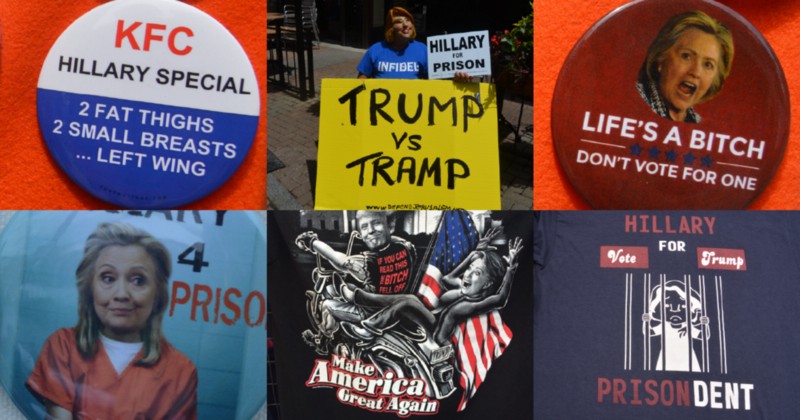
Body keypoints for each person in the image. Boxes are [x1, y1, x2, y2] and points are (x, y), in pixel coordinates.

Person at [26, 223, 197, 419]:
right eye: (108, 278)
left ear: (157, 294)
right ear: (90, 289)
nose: (122, 294)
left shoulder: (181, 371)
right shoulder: (63, 346)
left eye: (138, 280)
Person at [340, 236, 522, 346]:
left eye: (477, 273)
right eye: (470, 269)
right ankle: (360, 297)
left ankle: (371, 327)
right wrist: (472, 255)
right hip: (430, 317)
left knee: (407, 302)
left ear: (487, 283)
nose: (468, 274)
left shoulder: (474, 303)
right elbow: (447, 279)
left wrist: (511, 270)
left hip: (434, 332)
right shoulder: (462, 290)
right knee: (408, 298)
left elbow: (501, 300)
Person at [295, 211, 416, 349]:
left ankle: (322, 342)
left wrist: (312, 242)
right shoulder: (406, 249)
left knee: (327, 305)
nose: (370, 231)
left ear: (390, 225)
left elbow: (340, 261)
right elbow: (394, 240)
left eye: (376, 223)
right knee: (351, 286)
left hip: (372, 311)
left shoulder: (370, 261)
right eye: (364, 227)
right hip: (397, 306)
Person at [636, 11, 734, 123]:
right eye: (686, 56)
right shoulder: (632, 103)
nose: (696, 72)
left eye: (708, 64)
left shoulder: (697, 125)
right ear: (661, 58)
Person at [357, 6, 471, 82]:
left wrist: (456, 78)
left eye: (408, 20)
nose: (405, 25)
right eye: (399, 22)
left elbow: (435, 81)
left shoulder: (423, 50)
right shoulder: (376, 49)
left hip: (413, 114)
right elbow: (361, 78)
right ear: (390, 28)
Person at [642, 280, 710, 372]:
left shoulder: (688, 327)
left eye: (683, 307)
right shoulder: (664, 326)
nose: (674, 310)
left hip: (687, 359)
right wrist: (646, 322)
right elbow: (649, 332)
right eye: (667, 306)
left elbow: (704, 336)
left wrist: (705, 325)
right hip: (667, 358)